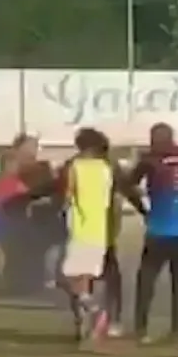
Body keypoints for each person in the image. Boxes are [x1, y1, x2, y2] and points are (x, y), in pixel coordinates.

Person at [129, 123, 178, 344]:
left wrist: (142, 209)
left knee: (146, 280)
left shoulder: (149, 161)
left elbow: (127, 184)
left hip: (158, 230)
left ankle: (141, 328)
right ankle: (177, 331)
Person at [61, 128, 114, 344]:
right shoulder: (105, 168)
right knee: (85, 278)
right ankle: (85, 327)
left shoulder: (75, 166)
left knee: (68, 276)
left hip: (79, 227)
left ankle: (94, 309)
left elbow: (68, 195)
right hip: (99, 228)